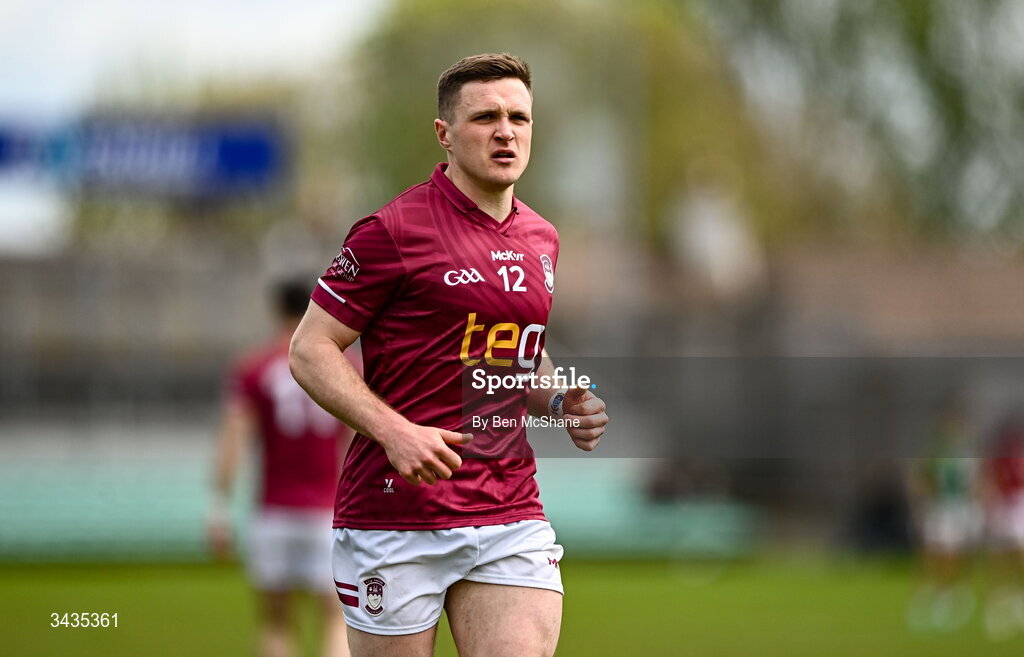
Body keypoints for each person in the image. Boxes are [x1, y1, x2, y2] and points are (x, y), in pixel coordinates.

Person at [289, 53, 609, 657]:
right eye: (485, 116)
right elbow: (309, 350)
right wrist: (394, 431)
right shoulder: (392, 230)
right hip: (395, 514)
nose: (505, 131)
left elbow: (516, 358)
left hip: (508, 506)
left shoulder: (543, 237)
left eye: (519, 116)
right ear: (445, 134)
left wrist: (563, 398)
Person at [209, 278, 358, 657]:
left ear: (276, 310)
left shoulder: (253, 368)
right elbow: (356, 441)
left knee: (276, 624)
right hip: (328, 512)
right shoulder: (343, 367)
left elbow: (233, 443)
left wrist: (219, 510)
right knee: (335, 620)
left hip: (273, 513)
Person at [905, 396, 981, 632]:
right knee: (930, 550)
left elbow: (974, 482)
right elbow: (919, 476)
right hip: (937, 506)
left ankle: (947, 596)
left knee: (951, 552)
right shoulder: (936, 451)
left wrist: (974, 506)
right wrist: (922, 496)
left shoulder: (966, 455)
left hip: (956, 507)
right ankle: (935, 591)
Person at [981, 415, 1024, 640]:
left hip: (1019, 505)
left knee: (1017, 554)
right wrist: (992, 503)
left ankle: (1017, 598)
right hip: (1004, 505)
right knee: (999, 556)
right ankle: (997, 603)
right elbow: (990, 480)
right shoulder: (999, 458)